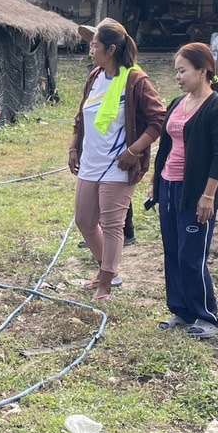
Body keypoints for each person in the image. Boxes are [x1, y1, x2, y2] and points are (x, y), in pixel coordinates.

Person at [67, 18, 166, 300]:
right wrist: (75, 147)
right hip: (91, 163)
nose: (90, 49)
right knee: (85, 221)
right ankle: (106, 269)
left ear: (110, 50)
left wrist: (134, 151)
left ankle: (107, 282)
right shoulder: (95, 77)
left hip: (118, 166)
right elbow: (81, 116)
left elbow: (158, 119)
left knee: (112, 225)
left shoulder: (135, 80)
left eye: (94, 44)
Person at [150, 41, 218, 338]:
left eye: (183, 70)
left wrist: (209, 195)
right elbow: (166, 147)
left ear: (203, 70)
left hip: (196, 193)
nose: (178, 76)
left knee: (191, 255)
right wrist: (156, 184)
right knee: (172, 251)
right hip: (169, 188)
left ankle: (207, 315)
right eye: (176, 71)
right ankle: (181, 311)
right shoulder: (177, 103)